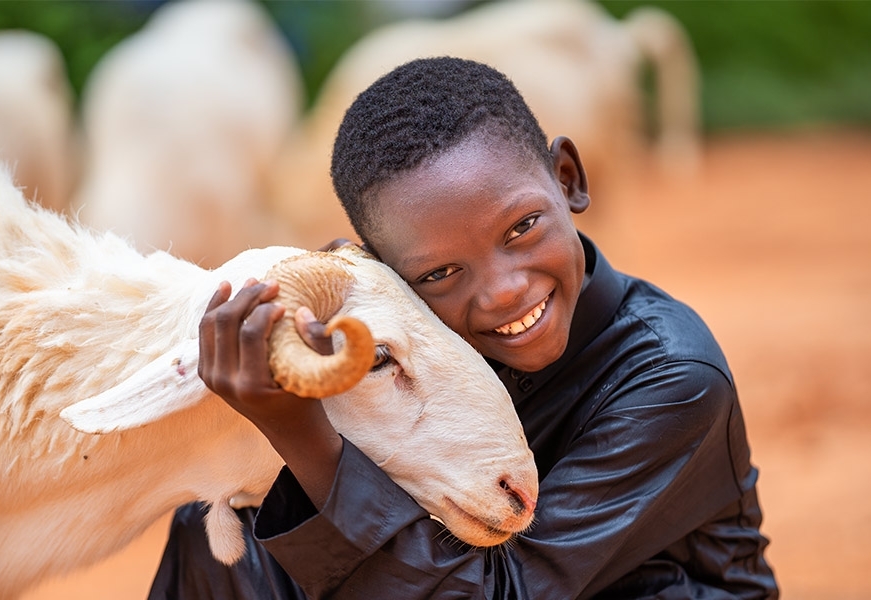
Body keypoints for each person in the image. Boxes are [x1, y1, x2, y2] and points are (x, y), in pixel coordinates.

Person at [148, 56, 779, 599]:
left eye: (522, 228)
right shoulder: (399, 356)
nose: (504, 290)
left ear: (568, 180)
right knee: (223, 535)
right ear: (383, 274)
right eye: (441, 272)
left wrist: (302, 434)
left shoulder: (672, 378)